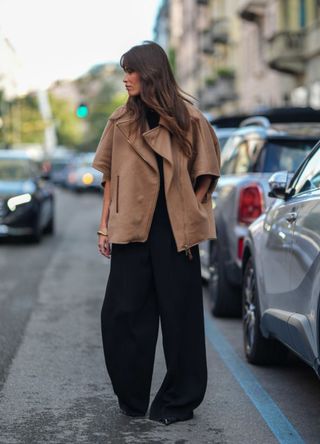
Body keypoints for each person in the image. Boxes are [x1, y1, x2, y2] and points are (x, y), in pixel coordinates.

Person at [92, 41, 220, 426]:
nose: (125, 78)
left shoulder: (190, 120)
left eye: (131, 70)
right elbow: (109, 177)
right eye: (124, 70)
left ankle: (179, 400)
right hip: (131, 226)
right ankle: (131, 397)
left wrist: (191, 209)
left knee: (180, 319)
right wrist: (104, 225)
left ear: (150, 74)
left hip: (174, 231)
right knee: (120, 315)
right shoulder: (120, 121)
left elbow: (207, 172)